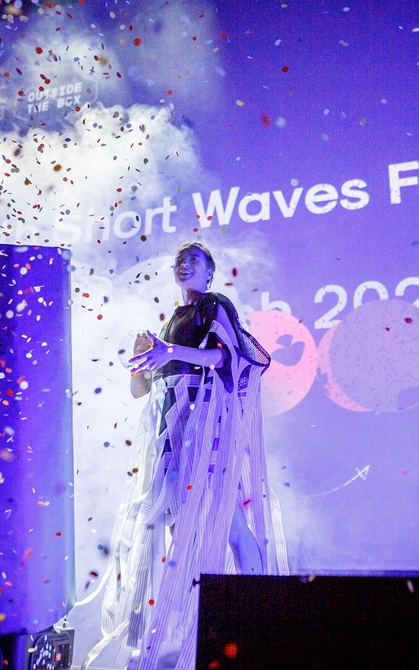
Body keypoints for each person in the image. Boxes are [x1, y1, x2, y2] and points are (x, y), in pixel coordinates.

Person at [84, 243, 288, 670]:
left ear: (209, 272)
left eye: (194, 259)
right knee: (183, 524)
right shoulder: (171, 321)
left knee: (225, 522)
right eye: (180, 259)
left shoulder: (213, 305)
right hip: (172, 432)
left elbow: (225, 357)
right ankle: (210, 623)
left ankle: (262, 611)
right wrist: (141, 366)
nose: (184, 263)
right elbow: (143, 391)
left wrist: (169, 352)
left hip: (204, 426)